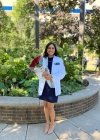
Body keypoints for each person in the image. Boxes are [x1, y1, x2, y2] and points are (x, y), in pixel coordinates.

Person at [38, 42, 66, 134]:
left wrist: (52, 77)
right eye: (49, 48)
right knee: (45, 105)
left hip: (53, 86)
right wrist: (41, 73)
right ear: (46, 49)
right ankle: (47, 123)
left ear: (55, 50)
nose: (50, 49)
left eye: (52, 48)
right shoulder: (43, 59)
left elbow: (62, 73)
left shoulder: (59, 59)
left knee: (50, 106)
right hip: (44, 85)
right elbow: (38, 70)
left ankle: (52, 124)